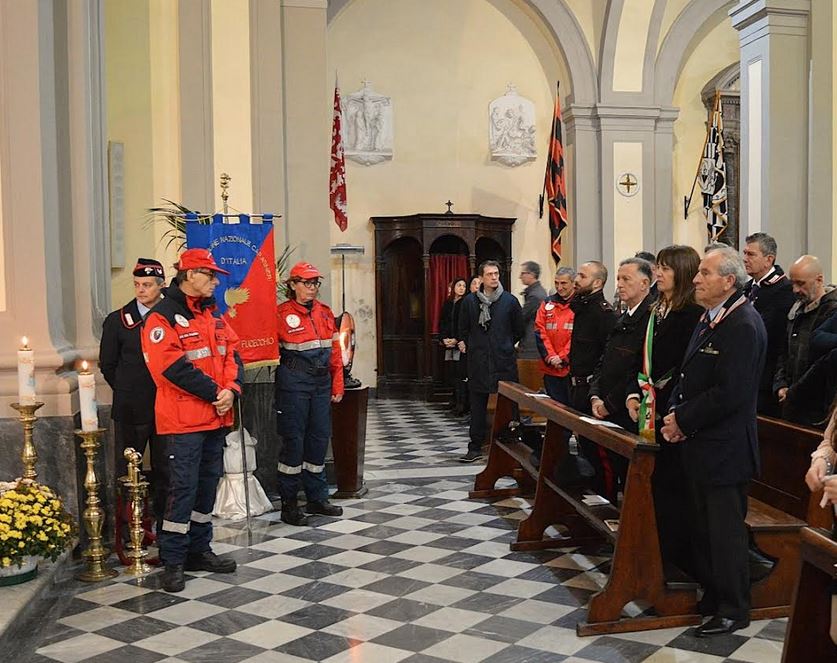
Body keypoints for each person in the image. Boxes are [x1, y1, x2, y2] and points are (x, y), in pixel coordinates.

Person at [661, 245, 766, 637]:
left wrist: (682, 420)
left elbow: (731, 393)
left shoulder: (743, 324)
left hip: (725, 449)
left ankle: (735, 607)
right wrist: (673, 414)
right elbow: (687, 376)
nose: (696, 279)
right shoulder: (711, 318)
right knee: (703, 530)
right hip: (700, 443)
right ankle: (713, 594)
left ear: (727, 280)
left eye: (704, 273)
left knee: (725, 534)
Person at [141, 248, 243, 593]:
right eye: (210, 275)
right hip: (182, 423)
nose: (215, 281)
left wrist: (231, 388)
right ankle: (173, 560)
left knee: (204, 489)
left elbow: (233, 352)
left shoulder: (213, 314)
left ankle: (200, 550)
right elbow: (170, 368)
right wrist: (218, 392)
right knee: (179, 492)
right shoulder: (162, 318)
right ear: (189, 276)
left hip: (215, 418)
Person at [625, 246, 702, 577]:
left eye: (665, 268)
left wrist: (662, 404)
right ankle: (656, 551)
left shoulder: (691, 314)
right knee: (655, 482)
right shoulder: (658, 311)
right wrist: (635, 393)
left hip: (671, 408)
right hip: (648, 401)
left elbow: (686, 368)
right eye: (657, 267)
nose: (658, 273)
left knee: (673, 486)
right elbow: (643, 362)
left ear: (682, 273)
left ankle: (675, 560)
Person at [275, 261, 345, 526]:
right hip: (294, 384)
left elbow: (336, 352)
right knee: (293, 442)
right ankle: (289, 504)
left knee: (318, 441)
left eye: (315, 283)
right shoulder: (281, 314)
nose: (312, 288)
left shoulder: (325, 313)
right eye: (306, 282)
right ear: (293, 285)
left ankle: (317, 498)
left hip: (321, 384)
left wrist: (337, 383)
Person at [100, 259, 169, 523]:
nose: (141, 290)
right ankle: (131, 526)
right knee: (130, 468)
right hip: (132, 408)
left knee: (167, 467)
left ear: (161, 285)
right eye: (138, 284)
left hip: (167, 406)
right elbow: (108, 364)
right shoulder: (117, 320)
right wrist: (128, 389)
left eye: (148, 285)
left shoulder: (173, 316)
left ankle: (166, 524)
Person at [589, 257, 655, 502]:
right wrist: (595, 394)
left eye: (626, 279)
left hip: (625, 410)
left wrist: (608, 404)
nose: (619, 284)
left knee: (630, 475)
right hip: (606, 404)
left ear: (645, 283)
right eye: (618, 279)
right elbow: (604, 361)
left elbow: (634, 369)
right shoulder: (623, 316)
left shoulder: (650, 318)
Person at [457, 260, 523, 463]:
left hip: (503, 359)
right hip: (478, 360)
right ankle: (475, 446)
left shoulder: (510, 301)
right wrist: (471, 345)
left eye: (496, 273)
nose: (494, 277)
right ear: (481, 278)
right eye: (490, 274)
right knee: (477, 404)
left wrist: (503, 344)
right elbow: (463, 328)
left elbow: (518, 329)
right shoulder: (470, 302)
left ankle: (512, 440)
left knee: (509, 403)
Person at [568, 262, 618, 488]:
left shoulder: (604, 313)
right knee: (583, 448)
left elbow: (605, 358)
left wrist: (595, 392)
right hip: (577, 387)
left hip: (592, 391)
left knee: (598, 454)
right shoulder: (582, 307)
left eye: (582, 276)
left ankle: (604, 499)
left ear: (597, 282)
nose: (576, 279)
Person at [773, 255, 837, 426]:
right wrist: (781, 384)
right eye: (792, 283)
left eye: (801, 284)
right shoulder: (796, 308)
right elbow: (784, 352)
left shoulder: (831, 310)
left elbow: (819, 364)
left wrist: (793, 392)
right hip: (791, 402)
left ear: (819, 280)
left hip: (817, 407)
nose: (794, 290)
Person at [742, 232, 795, 416]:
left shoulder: (783, 290)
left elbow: (772, 333)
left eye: (751, 254)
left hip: (765, 376)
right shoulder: (747, 288)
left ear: (769, 259)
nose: (745, 259)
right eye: (745, 253)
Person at [534, 267, 576, 404]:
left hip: (570, 369)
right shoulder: (547, 303)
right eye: (556, 283)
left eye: (563, 283)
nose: (559, 287)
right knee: (554, 411)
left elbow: (577, 336)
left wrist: (563, 358)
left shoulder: (580, 305)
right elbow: (540, 331)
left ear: (573, 283)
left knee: (571, 413)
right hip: (550, 368)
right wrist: (551, 357)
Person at [439, 277, 468, 412]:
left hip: (459, 343)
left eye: (463, 286)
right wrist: (444, 338)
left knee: (460, 372)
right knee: (451, 372)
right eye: (459, 285)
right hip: (448, 344)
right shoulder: (448, 303)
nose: (461, 288)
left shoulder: (465, 303)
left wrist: (457, 339)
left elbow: (463, 324)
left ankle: (461, 403)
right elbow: (443, 322)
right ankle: (454, 399)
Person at [517, 261, 547, 360]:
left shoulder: (535, 295)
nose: (520, 277)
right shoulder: (536, 292)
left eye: (522, 273)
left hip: (531, 346)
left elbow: (521, 318)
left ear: (532, 274)